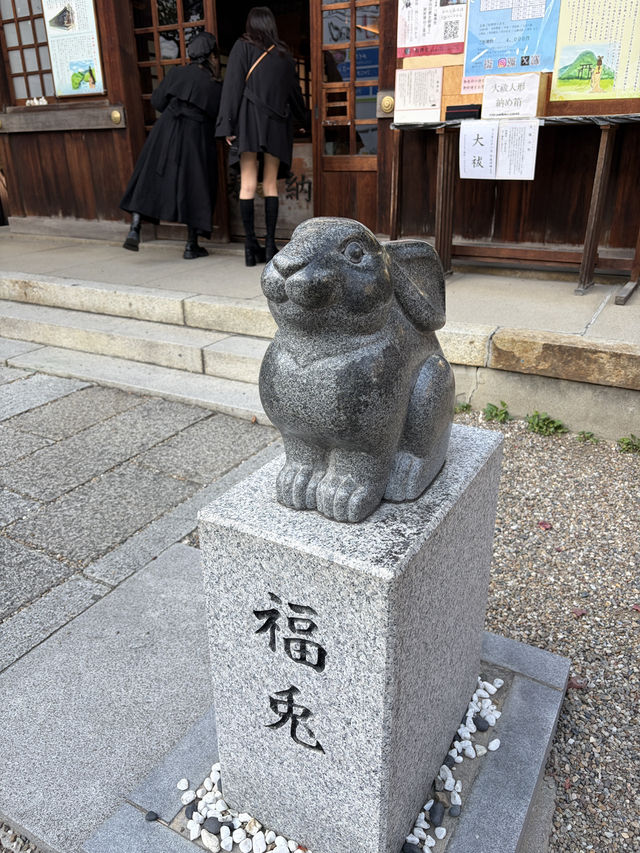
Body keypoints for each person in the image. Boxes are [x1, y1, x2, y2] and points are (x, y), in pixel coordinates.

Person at [216, 7, 307, 266]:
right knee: (269, 185)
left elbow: (232, 86)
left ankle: (248, 248)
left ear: (250, 24)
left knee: (247, 184)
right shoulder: (284, 55)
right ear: (271, 25)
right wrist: (301, 119)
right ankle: (269, 247)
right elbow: (295, 94)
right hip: (277, 125)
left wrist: (227, 126)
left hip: (247, 123)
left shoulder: (242, 47)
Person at [120, 31, 222, 260]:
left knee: (150, 176)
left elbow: (157, 101)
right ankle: (190, 245)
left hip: (166, 129)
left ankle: (135, 226)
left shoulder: (177, 72)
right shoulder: (213, 84)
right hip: (195, 135)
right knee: (195, 185)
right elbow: (218, 117)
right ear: (211, 55)